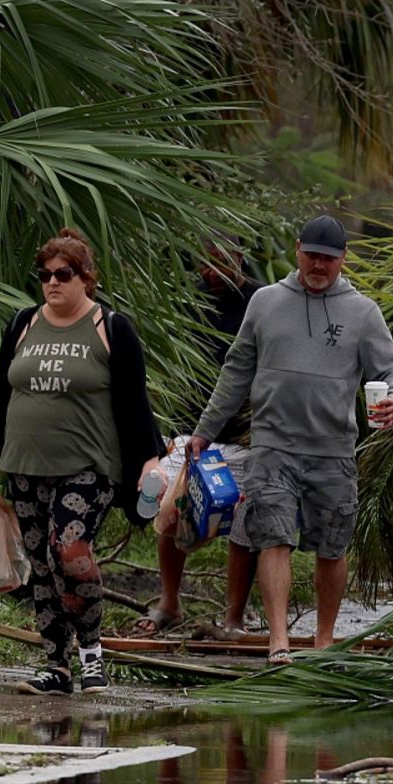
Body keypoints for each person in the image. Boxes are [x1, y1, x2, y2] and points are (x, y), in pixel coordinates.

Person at [189, 214, 393, 664]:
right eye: (312, 255)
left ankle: (324, 641)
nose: (319, 266)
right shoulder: (266, 302)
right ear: (297, 250)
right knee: (273, 538)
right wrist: (205, 430)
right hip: (272, 447)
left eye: (329, 259)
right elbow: (236, 371)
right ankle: (279, 642)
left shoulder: (363, 312)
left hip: (333, 450)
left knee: (332, 545)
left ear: (343, 259)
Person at [0, 227, 164, 695]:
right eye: (45, 275)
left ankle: (92, 655)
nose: (53, 283)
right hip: (24, 465)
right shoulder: (22, 323)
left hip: (87, 467)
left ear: (86, 279)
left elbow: (135, 403)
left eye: (64, 274)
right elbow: (2, 394)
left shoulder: (110, 328)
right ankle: (56, 666)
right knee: (42, 565)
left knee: (70, 552)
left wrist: (149, 461)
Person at [134, 238, 265, 638]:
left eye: (221, 262)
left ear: (240, 257)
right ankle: (169, 602)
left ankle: (233, 617)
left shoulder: (260, 301)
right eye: (205, 263)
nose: (212, 272)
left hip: (243, 432)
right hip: (191, 427)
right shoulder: (191, 299)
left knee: (244, 518)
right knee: (170, 508)